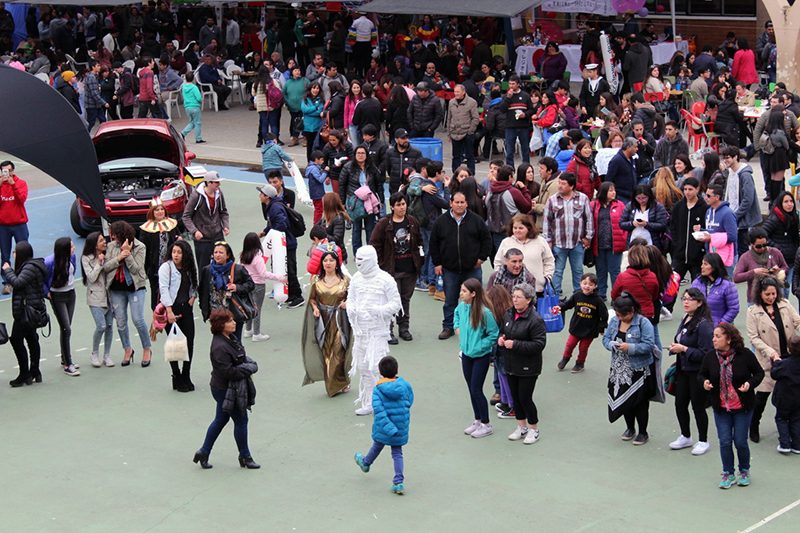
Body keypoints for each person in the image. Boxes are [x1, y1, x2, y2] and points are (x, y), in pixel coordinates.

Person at [192, 308, 259, 470]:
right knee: (241, 420)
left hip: (225, 388)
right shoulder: (220, 347)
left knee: (221, 419)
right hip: (226, 389)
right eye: (230, 321)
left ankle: (204, 452)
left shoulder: (229, 338)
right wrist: (250, 368)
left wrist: (247, 364)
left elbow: (241, 356)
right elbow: (229, 372)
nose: (234, 322)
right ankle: (245, 456)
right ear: (221, 325)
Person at [699, 322, 764, 489]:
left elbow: (759, 373)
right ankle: (727, 472)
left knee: (740, 441)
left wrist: (749, 384)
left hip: (743, 407)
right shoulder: (710, 357)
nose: (713, 339)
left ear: (728, 339)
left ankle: (744, 470)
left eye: (718, 336)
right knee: (725, 441)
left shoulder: (745, 355)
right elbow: (702, 374)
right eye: (713, 336)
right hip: (721, 408)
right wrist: (705, 382)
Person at [347, 246, 402, 416]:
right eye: (357, 259)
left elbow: (396, 304)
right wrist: (352, 309)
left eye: (362, 260)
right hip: (360, 331)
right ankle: (369, 402)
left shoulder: (386, 280)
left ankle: (385, 404)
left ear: (371, 260)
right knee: (363, 368)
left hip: (377, 332)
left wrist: (378, 310)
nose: (358, 263)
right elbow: (350, 299)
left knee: (377, 367)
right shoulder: (356, 278)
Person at [429, 192, 492, 340]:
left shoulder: (476, 221)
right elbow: (433, 244)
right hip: (449, 269)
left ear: (467, 204)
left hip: (472, 269)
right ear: (450, 203)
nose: (459, 205)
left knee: (476, 300)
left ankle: (476, 326)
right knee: (450, 300)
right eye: (456, 202)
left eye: (462, 202)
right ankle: (448, 327)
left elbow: (486, 240)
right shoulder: (441, 222)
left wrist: (481, 258)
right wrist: (437, 263)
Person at [746, 276, 800, 444]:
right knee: (761, 397)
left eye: (773, 293)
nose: (771, 297)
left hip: (790, 358)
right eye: (767, 294)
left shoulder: (785, 305)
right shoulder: (753, 312)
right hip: (768, 360)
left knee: (792, 397)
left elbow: (797, 321)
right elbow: (754, 338)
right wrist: (770, 352)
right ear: (759, 294)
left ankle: (792, 430)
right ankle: (753, 427)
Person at [603, 292, 658, 445]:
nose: (620, 318)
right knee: (624, 399)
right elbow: (606, 338)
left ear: (632, 311)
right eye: (618, 315)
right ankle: (630, 428)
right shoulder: (614, 321)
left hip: (638, 369)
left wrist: (630, 347)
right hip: (619, 369)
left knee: (640, 402)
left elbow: (648, 345)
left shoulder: (643, 323)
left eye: (623, 316)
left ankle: (642, 432)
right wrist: (610, 345)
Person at [353, 355, 414, 495]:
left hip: (385, 428)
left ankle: (366, 463)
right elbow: (409, 400)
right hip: (401, 426)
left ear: (380, 372)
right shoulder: (405, 386)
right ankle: (398, 482)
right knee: (397, 453)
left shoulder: (378, 390)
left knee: (377, 445)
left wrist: (389, 428)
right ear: (396, 370)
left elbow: (379, 412)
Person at [496, 282, 547, 444]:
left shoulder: (536, 320)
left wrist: (515, 344)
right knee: (515, 398)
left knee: (525, 398)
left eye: (519, 297)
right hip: (511, 364)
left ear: (529, 300)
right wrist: (502, 338)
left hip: (528, 367)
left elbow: (539, 344)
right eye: (513, 296)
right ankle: (521, 426)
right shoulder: (508, 314)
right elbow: (504, 331)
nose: (515, 300)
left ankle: (534, 429)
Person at [667, 288, 714, 456]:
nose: (685, 302)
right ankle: (685, 436)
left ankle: (703, 440)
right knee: (680, 403)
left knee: (698, 406)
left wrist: (684, 349)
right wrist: (675, 348)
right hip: (683, 370)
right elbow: (680, 339)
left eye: (690, 299)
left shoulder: (704, 325)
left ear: (699, 302)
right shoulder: (686, 318)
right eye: (684, 299)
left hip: (698, 373)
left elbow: (706, 353)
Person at [370, 193, 422, 343]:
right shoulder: (384, 224)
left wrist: (420, 260)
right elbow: (375, 244)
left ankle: (404, 328)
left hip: (409, 269)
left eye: (404, 204)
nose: (402, 207)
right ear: (392, 206)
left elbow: (419, 241)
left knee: (405, 299)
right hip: (391, 270)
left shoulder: (412, 222)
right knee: (391, 300)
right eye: (398, 205)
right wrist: (380, 265)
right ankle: (388, 329)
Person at [301, 247, 351, 396]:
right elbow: (312, 298)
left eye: (331, 260)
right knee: (326, 353)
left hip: (339, 321)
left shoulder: (345, 281)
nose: (328, 263)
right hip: (322, 322)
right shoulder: (316, 280)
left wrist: (347, 303)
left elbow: (353, 297)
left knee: (338, 351)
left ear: (337, 263)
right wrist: (315, 308)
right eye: (325, 260)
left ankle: (335, 386)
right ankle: (340, 382)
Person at [103, 220, 152, 367]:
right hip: (116, 288)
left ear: (123, 235)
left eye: (115, 235)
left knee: (138, 319)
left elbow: (136, 269)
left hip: (135, 287)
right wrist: (119, 257)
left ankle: (147, 348)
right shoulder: (111, 247)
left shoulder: (140, 246)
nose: (113, 239)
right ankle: (127, 349)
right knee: (121, 322)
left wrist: (127, 254)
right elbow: (106, 267)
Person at [457, 278, 500, 439]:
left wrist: (481, 346)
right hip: (466, 355)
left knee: (476, 389)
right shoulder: (461, 307)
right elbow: (456, 316)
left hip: (481, 357)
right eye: (461, 290)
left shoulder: (485, 313)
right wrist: (457, 328)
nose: (461, 294)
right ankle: (477, 420)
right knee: (470, 388)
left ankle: (486, 424)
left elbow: (494, 334)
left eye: (464, 291)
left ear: (473, 294)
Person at [2, 241, 46, 386]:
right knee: (32, 338)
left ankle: (24, 373)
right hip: (32, 310)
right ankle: (35, 371)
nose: (13, 254)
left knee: (16, 339)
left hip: (25, 311)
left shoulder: (28, 268)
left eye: (15, 251)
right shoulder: (32, 266)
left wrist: (7, 270)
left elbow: (18, 283)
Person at [543, 172, 594, 297]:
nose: (559, 186)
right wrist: (548, 241)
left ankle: (579, 295)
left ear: (571, 186)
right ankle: (555, 295)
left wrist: (588, 237)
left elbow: (589, 219)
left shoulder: (583, 198)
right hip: (558, 243)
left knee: (578, 271)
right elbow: (546, 221)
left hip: (577, 243)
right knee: (557, 271)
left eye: (563, 184)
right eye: (559, 183)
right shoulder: (552, 200)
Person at [159, 240, 198, 392]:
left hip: (187, 309)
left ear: (185, 254)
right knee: (174, 345)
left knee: (189, 342)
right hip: (172, 309)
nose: (176, 255)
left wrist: (193, 297)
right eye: (174, 252)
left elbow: (195, 284)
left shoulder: (189, 268)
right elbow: (163, 289)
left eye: (179, 252)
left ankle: (186, 374)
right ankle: (176, 375)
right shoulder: (166, 267)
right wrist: (169, 311)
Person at [257, 184, 304, 309]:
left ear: (267, 196)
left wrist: (271, 234)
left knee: (290, 269)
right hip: (284, 243)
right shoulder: (274, 206)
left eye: (261, 193)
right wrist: (264, 232)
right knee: (287, 269)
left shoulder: (275, 208)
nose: (259, 195)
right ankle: (291, 295)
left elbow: (281, 224)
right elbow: (273, 223)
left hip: (285, 244)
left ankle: (298, 296)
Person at [198, 240, 255, 340]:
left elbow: (250, 284)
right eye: (215, 252)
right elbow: (203, 291)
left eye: (221, 252)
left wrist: (237, 287)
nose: (217, 255)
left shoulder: (238, 269)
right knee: (219, 341)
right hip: (216, 315)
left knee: (235, 342)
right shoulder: (207, 270)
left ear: (228, 255)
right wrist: (204, 310)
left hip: (234, 314)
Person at [555, 273, 608, 373]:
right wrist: (560, 307)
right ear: (580, 283)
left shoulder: (598, 301)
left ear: (595, 286)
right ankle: (565, 358)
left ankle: (580, 363)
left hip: (590, 331)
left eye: (591, 284)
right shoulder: (577, 296)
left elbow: (604, 315)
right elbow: (568, 305)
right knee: (569, 345)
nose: (587, 286)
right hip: (576, 327)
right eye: (585, 283)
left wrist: (602, 327)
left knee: (583, 349)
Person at [493, 214, 554, 297]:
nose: (517, 230)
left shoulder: (540, 241)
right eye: (515, 228)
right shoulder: (506, 242)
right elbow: (498, 262)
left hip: (537, 288)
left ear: (529, 228)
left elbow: (549, 260)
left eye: (521, 228)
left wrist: (547, 277)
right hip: (511, 291)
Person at [43, 237, 79, 376]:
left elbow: (72, 273)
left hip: (71, 294)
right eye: (71, 247)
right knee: (66, 329)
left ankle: (64, 358)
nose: (74, 248)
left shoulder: (72, 257)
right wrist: (47, 293)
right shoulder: (49, 262)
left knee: (66, 328)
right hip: (57, 297)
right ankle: (68, 364)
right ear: (64, 249)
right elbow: (42, 279)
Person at [240, 232, 284, 343]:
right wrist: (280, 277)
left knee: (248, 306)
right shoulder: (257, 258)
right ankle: (257, 333)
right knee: (257, 309)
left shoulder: (243, 256)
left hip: (247, 285)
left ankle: (248, 330)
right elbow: (263, 274)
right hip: (258, 285)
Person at [182, 171, 230, 271]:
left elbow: (223, 211)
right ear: (208, 183)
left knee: (223, 264)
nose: (219, 184)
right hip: (202, 239)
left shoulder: (219, 193)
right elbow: (186, 216)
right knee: (203, 268)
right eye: (216, 182)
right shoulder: (196, 196)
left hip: (218, 236)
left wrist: (225, 225)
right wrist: (195, 231)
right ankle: (203, 287)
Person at [139, 198, 180, 310]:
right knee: (156, 295)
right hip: (155, 268)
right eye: (157, 210)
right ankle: (158, 318)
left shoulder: (171, 224)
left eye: (162, 209)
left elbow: (177, 240)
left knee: (172, 291)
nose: (160, 212)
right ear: (152, 212)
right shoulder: (146, 229)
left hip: (171, 266)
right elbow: (143, 250)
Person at [339, 145, 381, 255]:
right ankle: (357, 254)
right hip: (355, 202)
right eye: (358, 153)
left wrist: (379, 201)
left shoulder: (372, 168)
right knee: (356, 229)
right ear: (355, 154)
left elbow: (378, 185)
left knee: (370, 229)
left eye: (363, 153)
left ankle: (370, 253)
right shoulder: (348, 167)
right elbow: (342, 185)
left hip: (370, 202)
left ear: (367, 155)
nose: (361, 155)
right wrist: (342, 202)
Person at [485, 165, 532, 262]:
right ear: (510, 177)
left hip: (491, 231)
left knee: (497, 261)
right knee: (513, 260)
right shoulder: (513, 191)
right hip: (510, 232)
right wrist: (524, 190)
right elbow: (527, 206)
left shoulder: (490, 191)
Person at [81, 232, 114, 368]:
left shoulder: (107, 255)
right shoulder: (86, 258)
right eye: (101, 241)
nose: (104, 242)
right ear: (94, 244)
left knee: (110, 326)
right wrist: (99, 263)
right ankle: (94, 353)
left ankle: (107, 355)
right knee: (101, 326)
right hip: (95, 297)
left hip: (109, 296)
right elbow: (91, 277)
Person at [590, 182, 627, 300]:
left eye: (614, 190)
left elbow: (625, 221)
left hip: (615, 243)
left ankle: (616, 295)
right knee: (600, 270)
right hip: (599, 243)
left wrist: (623, 236)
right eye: (611, 190)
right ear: (604, 192)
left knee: (614, 271)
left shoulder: (620, 205)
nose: (614, 192)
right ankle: (601, 293)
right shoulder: (593, 205)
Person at [733, 227, 788, 305]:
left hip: (774, 296)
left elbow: (785, 267)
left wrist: (779, 271)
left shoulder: (775, 252)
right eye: (758, 246)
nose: (762, 248)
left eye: (765, 245)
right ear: (752, 244)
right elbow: (736, 277)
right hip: (755, 299)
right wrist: (753, 272)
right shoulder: (745, 257)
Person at [670, 178, 708, 283]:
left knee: (698, 287)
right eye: (685, 189)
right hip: (679, 256)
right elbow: (673, 227)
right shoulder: (678, 207)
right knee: (672, 286)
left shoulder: (704, 208)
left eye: (690, 189)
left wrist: (702, 231)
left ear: (697, 189)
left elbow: (708, 229)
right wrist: (676, 244)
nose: (687, 192)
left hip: (697, 257)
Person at [762, 191, 800, 297]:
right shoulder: (774, 219)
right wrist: (777, 248)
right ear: (780, 203)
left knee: (788, 289)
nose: (789, 204)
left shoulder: (794, 217)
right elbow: (762, 235)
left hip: (792, 260)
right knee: (782, 291)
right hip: (778, 262)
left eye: (791, 201)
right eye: (786, 201)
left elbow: (795, 238)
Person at [0, 160, 29, 295]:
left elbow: (22, 199)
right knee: (5, 255)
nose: (7, 173)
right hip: (3, 226)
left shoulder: (21, 183)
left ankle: (25, 278)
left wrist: (13, 185)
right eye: (4, 171)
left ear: (13, 171)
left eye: (9, 171)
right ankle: (7, 282)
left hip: (19, 224)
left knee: (24, 252)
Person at [691, 253, 740, 327]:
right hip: (698, 326)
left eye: (705, 264)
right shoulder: (697, 283)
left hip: (720, 328)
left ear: (714, 266)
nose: (702, 267)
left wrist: (721, 324)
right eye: (702, 264)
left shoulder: (728, 285)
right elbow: (691, 302)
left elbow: (733, 309)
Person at [770, 335, 800, 454]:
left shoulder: (785, 364)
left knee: (781, 418)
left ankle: (785, 443)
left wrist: (775, 362)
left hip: (784, 398)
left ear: (789, 349)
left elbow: (774, 374)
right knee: (796, 419)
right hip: (798, 398)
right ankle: (797, 445)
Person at [700, 184, 738, 275]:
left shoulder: (727, 213)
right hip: (712, 254)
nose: (706, 198)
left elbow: (732, 236)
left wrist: (711, 237)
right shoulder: (709, 211)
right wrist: (701, 230)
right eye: (705, 195)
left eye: (709, 196)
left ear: (717, 197)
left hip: (726, 255)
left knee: (726, 284)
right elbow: (711, 230)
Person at [619, 184, 669, 252]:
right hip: (633, 243)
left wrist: (646, 224)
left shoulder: (658, 207)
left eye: (644, 198)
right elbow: (621, 223)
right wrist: (632, 224)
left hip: (652, 244)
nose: (641, 201)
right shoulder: (630, 206)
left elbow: (663, 225)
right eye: (638, 198)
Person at [499, 75, 533, 166]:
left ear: (518, 84)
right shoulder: (506, 96)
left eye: (513, 84)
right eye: (509, 84)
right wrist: (508, 98)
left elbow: (531, 110)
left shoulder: (525, 96)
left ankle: (526, 168)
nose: (511, 86)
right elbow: (502, 109)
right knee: (509, 150)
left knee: (525, 149)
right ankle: (510, 169)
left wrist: (525, 114)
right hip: (510, 126)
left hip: (523, 126)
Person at [446, 84, 480, 175]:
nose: (456, 93)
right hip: (454, 133)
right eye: (455, 92)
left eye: (458, 92)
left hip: (467, 133)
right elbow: (449, 118)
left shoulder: (472, 102)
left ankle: (471, 174)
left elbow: (476, 118)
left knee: (470, 156)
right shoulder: (451, 102)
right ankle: (455, 174)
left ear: (463, 92)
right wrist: (449, 132)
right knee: (456, 156)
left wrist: (470, 131)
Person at [384, 128, 421, 195]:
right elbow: (388, 169)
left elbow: (419, 170)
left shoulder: (416, 153)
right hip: (394, 188)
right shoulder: (389, 153)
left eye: (407, 137)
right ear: (396, 140)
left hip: (410, 188)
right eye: (403, 138)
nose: (406, 140)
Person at [605, 138, 638, 205]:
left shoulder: (631, 159)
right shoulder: (616, 160)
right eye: (635, 147)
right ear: (628, 147)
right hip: (621, 197)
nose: (637, 149)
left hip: (631, 196)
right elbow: (608, 179)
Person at [317, 192, 349, 261]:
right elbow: (315, 229)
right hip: (326, 251)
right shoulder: (324, 218)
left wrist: (322, 234)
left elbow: (336, 238)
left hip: (337, 254)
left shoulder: (339, 219)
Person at [322, 129, 353, 196]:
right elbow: (323, 163)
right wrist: (327, 176)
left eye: (334, 140)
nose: (332, 142)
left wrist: (342, 162)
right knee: (337, 195)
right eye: (330, 140)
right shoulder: (327, 147)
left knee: (348, 194)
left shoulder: (347, 145)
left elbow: (352, 159)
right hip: (334, 175)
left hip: (346, 173)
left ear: (339, 139)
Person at [300, 82, 325, 161]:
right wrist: (315, 107)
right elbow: (304, 109)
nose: (315, 90)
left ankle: (318, 162)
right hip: (308, 127)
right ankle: (309, 162)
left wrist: (310, 112)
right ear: (310, 89)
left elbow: (319, 112)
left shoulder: (321, 100)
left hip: (317, 127)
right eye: (314, 88)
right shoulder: (305, 99)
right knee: (309, 146)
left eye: (317, 88)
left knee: (317, 146)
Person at [180, 71, 204, 143]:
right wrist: (201, 101)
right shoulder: (194, 87)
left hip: (187, 107)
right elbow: (199, 98)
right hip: (195, 106)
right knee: (197, 123)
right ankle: (198, 138)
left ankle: (183, 133)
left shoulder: (183, 87)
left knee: (192, 122)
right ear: (193, 79)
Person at [306, 150, 328, 224]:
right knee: (319, 209)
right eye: (321, 159)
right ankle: (316, 224)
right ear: (316, 159)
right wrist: (325, 171)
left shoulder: (312, 167)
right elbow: (320, 179)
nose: (323, 161)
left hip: (315, 192)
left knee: (319, 208)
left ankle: (318, 223)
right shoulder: (314, 169)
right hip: (317, 193)